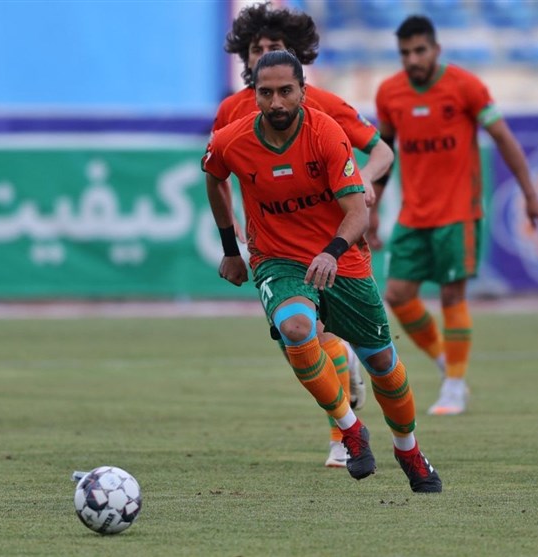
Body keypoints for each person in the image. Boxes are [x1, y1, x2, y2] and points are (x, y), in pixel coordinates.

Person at [202, 50, 441, 493]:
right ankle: (350, 428)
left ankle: (408, 449)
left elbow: (357, 211)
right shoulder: (231, 139)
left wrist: (331, 252)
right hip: (278, 259)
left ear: (302, 91)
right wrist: (231, 249)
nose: (276, 102)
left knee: (383, 363)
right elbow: (214, 176)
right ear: (254, 94)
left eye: (285, 91)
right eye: (266, 93)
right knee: (296, 328)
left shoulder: (326, 133)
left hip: (341, 259)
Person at [214, 2, 395, 468]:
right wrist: (232, 238)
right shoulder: (232, 111)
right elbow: (218, 173)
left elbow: (381, 151)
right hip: (274, 248)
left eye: (274, 47)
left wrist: (364, 184)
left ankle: (343, 437)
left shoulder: (324, 106)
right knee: (298, 337)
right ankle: (344, 409)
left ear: (294, 56)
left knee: (313, 333)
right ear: (245, 57)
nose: (263, 54)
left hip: (330, 241)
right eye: (256, 48)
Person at [370, 15, 538, 415]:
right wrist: (374, 207)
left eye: (419, 50)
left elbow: (502, 137)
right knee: (397, 295)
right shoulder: (389, 93)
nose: (412, 59)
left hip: (458, 212)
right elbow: (385, 151)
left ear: (436, 50)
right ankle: (446, 364)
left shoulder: (466, 86)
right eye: (405, 53)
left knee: (452, 295)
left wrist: (531, 195)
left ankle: (453, 386)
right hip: (413, 214)